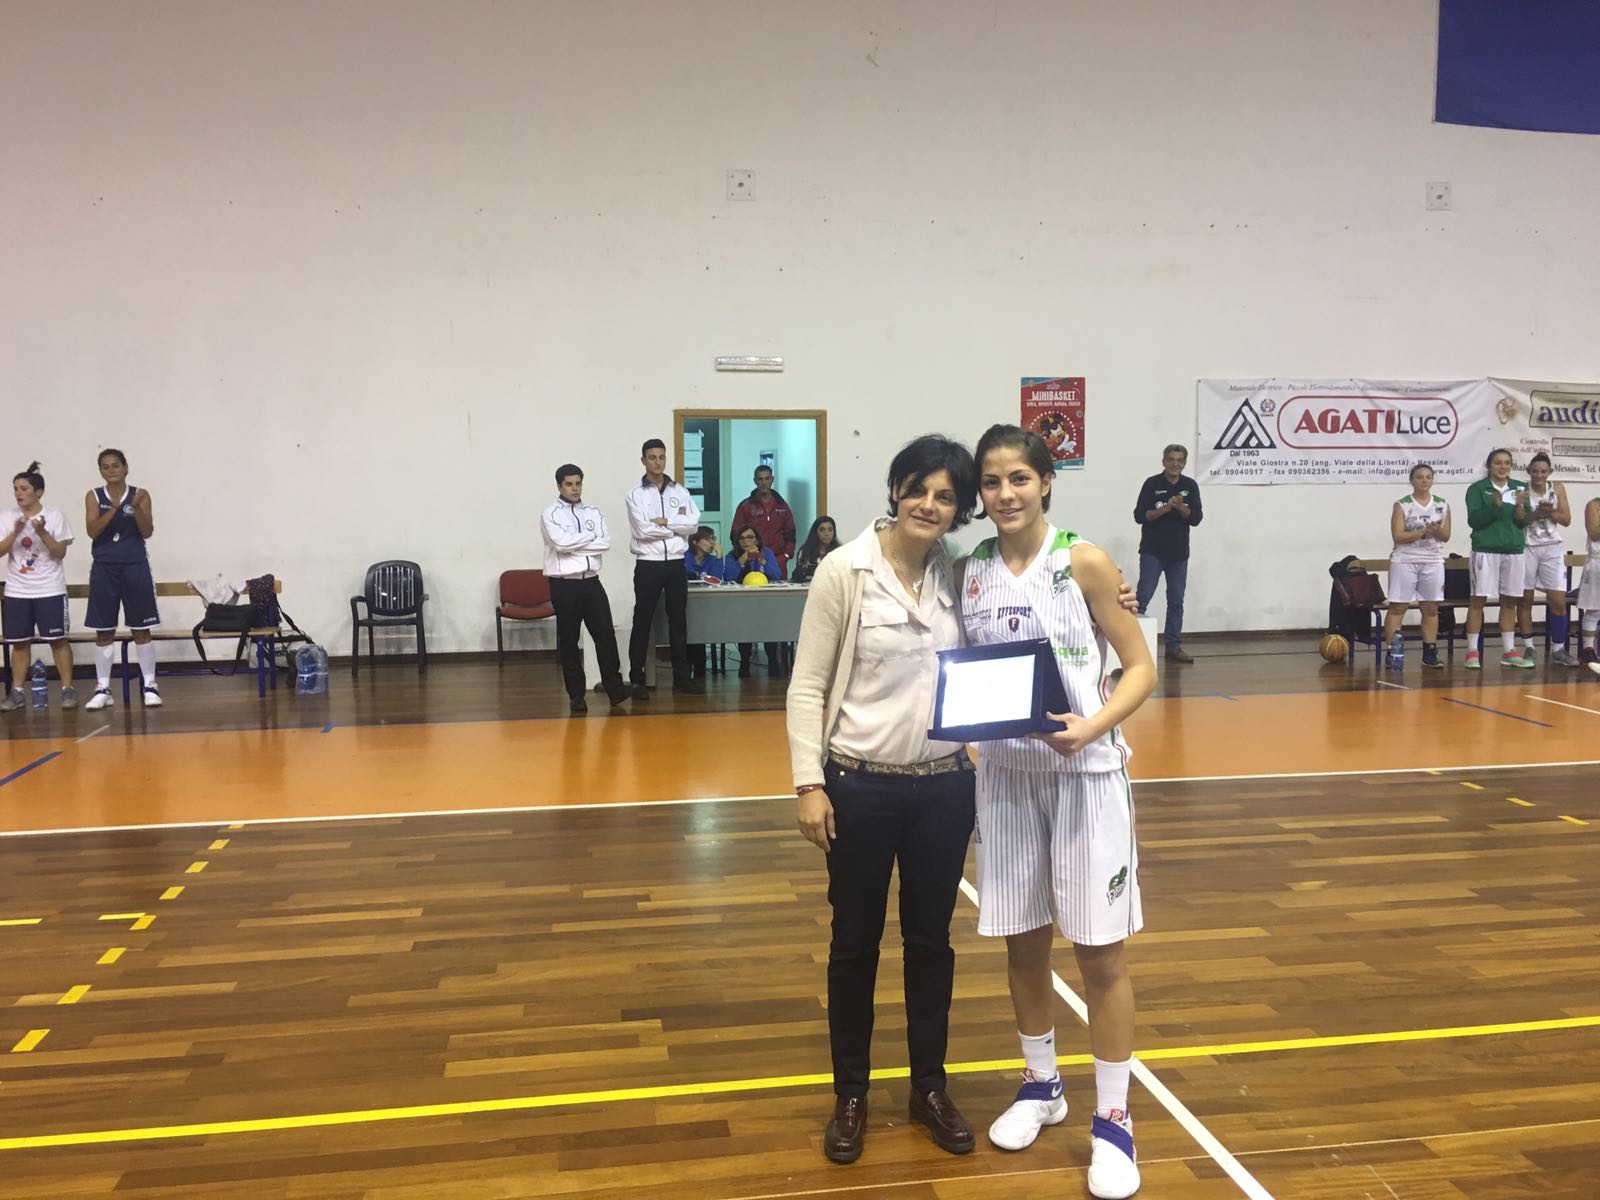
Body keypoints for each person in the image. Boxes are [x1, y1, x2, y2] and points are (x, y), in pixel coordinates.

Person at [960, 423, 1156, 1200]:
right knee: (1023, 943)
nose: (1004, 493)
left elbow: (1139, 667)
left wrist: (1094, 726)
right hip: (1007, 781)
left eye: (1018, 478)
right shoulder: (968, 571)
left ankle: (1114, 1119)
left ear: (1045, 481)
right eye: (991, 481)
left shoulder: (1085, 562)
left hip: (1086, 778)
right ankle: (1042, 1085)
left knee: (1100, 955)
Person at [788, 434, 981, 1165]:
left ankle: (928, 1087)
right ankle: (851, 1094)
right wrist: (809, 783)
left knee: (932, 943)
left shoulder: (962, 574)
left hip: (944, 789)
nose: (929, 505)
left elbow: (1033, 605)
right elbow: (808, 684)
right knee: (854, 944)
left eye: (945, 496)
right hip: (859, 787)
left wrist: (1109, 599)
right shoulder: (844, 570)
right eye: (918, 489)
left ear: (959, 509)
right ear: (896, 490)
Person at [540, 464, 629, 716]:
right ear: (559, 486)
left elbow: (605, 542)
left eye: (578, 483)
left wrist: (576, 544)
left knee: (605, 635)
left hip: (591, 582)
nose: (575, 488)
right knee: (569, 640)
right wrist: (589, 538)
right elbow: (560, 544)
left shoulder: (593, 512)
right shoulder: (550, 514)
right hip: (564, 584)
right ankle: (576, 695)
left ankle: (615, 689)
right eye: (569, 484)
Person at [80, 449, 161, 709]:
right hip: (105, 567)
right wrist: (114, 508)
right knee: (104, 630)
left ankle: (150, 685)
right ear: (100, 471)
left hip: (134, 565)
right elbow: (92, 531)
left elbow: (146, 531)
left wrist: (135, 508)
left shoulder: (140, 494)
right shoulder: (94, 496)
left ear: (125, 468)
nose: (111, 470)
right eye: (105, 466)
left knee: (141, 629)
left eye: (116, 465)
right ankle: (103, 687)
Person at [626, 438, 703, 697]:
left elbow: (693, 526)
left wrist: (665, 522)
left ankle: (681, 678)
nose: (658, 462)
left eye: (661, 457)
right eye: (652, 457)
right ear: (643, 460)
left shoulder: (679, 491)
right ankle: (637, 679)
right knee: (643, 619)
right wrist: (676, 528)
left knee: (678, 619)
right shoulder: (635, 494)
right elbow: (642, 530)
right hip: (648, 564)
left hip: (676, 564)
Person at [1, 462, 77, 711]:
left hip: (50, 589)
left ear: (39, 492)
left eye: (24, 489)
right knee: (20, 643)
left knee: (58, 641)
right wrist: (15, 532)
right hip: (17, 591)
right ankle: (17, 692)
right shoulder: (7, 517)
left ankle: (67, 689)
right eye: (15, 489)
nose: (18, 493)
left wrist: (42, 532)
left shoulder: (55, 516)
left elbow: (60, 552)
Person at [1132, 443, 1203, 664]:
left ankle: (1173, 647)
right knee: (1142, 598)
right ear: (1164, 461)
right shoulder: (1151, 484)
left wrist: (1180, 507)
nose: (1175, 464)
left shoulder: (1190, 486)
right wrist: (1166, 508)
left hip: (1179, 555)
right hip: (1152, 552)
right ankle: (1132, 647)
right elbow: (1139, 516)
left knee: (1176, 602)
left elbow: (1196, 519)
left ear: (1184, 463)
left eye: (1180, 460)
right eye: (1171, 459)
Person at [1463, 448, 1532, 669]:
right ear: (1489, 465)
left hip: (1513, 550)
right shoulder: (1477, 489)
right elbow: (1474, 521)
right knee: (1478, 601)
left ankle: (1509, 651)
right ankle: (1472, 651)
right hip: (1485, 550)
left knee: (1509, 601)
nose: (1503, 467)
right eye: (1498, 463)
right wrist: (1496, 507)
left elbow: (1523, 522)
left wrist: (1519, 505)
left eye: (1507, 463)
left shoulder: (1519, 488)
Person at [1380, 463, 1451, 670]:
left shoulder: (1442, 504)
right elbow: (1398, 536)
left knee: (1431, 608)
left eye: (1428, 477)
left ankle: (1429, 652)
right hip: (1405, 560)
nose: (1424, 480)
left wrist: (1436, 531)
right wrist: (1421, 532)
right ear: (1412, 480)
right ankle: (1393, 651)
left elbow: (1446, 535)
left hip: (1433, 560)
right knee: (1397, 607)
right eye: (1420, 477)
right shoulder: (1402, 504)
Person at [1516, 452, 1578, 666]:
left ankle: (1558, 649)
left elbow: (1566, 519)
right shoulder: (1522, 490)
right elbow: (1518, 521)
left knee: (1558, 601)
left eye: (1543, 471)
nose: (1539, 475)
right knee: (1525, 599)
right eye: (1535, 471)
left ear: (1550, 472)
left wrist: (1549, 512)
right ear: (1529, 472)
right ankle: (1529, 647)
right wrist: (1536, 514)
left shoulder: (1557, 488)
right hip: (1527, 547)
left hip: (1552, 548)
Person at [726, 524, 783, 678]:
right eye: (742, 538)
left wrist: (762, 560)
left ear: (757, 540)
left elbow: (776, 575)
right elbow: (728, 577)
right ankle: (744, 661)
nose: (746, 541)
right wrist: (742, 560)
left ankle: (773, 661)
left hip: (765, 601)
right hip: (742, 602)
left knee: (770, 627)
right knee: (745, 629)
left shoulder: (767, 553)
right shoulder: (732, 556)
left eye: (750, 537)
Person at [732, 464, 797, 578]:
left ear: (772, 480)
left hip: (778, 561)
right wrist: (746, 555)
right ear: (755, 481)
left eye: (767, 479)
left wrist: (786, 556)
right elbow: (735, 535)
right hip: (753, 560)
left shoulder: (782, 505)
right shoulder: (745, 506)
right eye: (760, 479)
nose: (764, 483)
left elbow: (790, 534)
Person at [684, 526, 728, 679]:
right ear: (695, 541)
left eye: (713, 539)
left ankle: (700, 672)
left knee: (700, 632)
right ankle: (686, 671)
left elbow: (716, 579)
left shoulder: (712, 560)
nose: (712, 543)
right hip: (686, 604)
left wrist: (719, 556)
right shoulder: (684, 556)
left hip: (705, 605)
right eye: (708, 539)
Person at [1580, 495, 1600, 672]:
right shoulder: (1594, 504)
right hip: (1597, 561)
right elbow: (1594, 531)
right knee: (1594, 609)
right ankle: (1587, 649)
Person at [791, 515, 838, 584]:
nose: (826, 533)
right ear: (815, 532)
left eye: (830, 530)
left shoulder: (839, 552)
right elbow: (800, 575)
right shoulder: (805, 551)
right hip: (810, 588)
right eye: (822, 530)